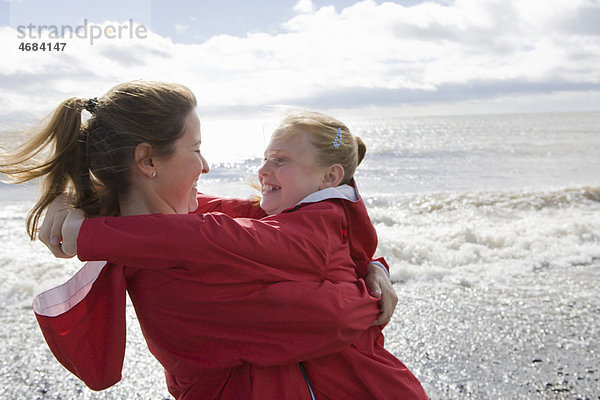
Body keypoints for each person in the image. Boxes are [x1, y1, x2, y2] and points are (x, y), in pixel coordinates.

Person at [0, 81, 412, 399]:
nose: (207, 165)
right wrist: (370, 294)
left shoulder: (182, 222)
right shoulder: (171, 282)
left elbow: (300, 223)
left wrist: (374, 266)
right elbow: (332, 318)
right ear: (147, 161)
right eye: (196, 148)